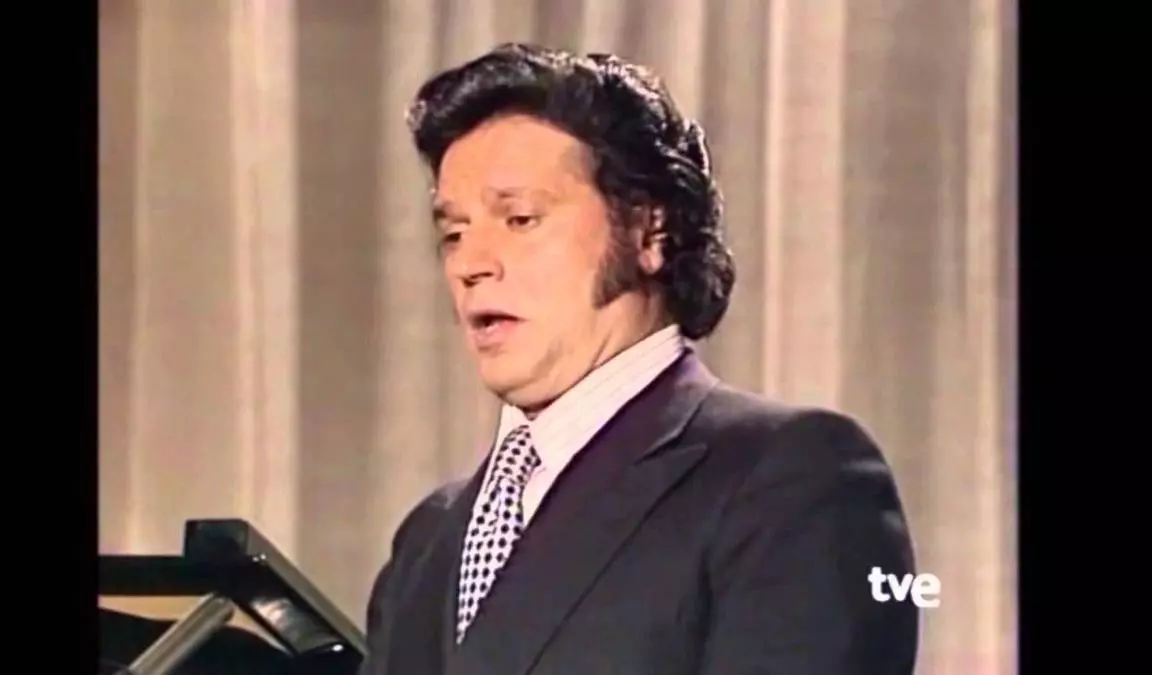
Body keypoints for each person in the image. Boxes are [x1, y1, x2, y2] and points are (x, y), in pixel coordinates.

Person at [361, 43, 918, 675]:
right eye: (453, 233)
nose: (471, 263)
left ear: (649, 232)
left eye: (519, 219)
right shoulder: (430, 539)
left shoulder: (792, 478)